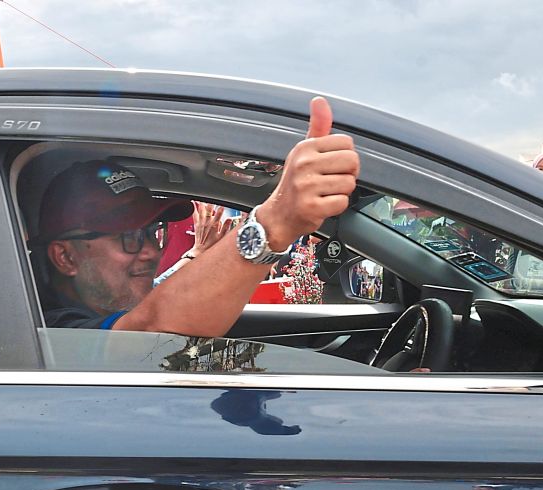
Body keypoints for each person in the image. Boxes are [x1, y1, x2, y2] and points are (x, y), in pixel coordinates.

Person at [32, 97, 359, 334]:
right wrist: (275, 223)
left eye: (153, 232)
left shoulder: (103, 306)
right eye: (129, 237)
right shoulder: (56, 332)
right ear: (65, 257)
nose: (151, 251)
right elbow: (152, 330)